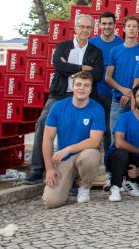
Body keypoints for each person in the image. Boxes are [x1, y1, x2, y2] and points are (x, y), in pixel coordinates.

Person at [24, 14, 104, 185]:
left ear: (92, 30)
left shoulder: (96, 52)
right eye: (81, 26)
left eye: (88, 27)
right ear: (75, 28)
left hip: (84, 97)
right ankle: (38, 170)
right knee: (43, 122)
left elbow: (97, 74)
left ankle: (75, 176)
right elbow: (59, 66)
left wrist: (70, 69)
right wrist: (82, 68)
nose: (84, 30)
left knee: (82, 130)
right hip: (60, 94)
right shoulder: (63, 47)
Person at [41, 71, 105, 208]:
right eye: (78, 84)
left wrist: (68, 149)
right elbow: (47, 139)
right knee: (51, 202)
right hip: (64, 159)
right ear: (73, 86)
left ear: (91, 88)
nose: (82, 88)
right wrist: (50, 168)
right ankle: (68, 186)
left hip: (84, 153)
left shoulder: (97, 109)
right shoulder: (58, 107)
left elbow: (95, 141)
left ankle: (84, 187)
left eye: (86, 85)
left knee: (92, 155)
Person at [105, 15, 139, 140]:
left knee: (134, 138)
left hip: (137, 102)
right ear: (124, 29)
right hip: (118, 101)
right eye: (129, 26)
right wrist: (123, 90)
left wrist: (130, 94)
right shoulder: (115, 51)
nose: (131, 29)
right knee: (115, 137)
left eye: (134, 26)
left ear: (138, 30)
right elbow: (108, 77)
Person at [89, 11, 124, 152]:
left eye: (110, 23)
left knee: (111, 131)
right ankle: (92, 161)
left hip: (113, 94)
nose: (107, 26)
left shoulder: (121, 44)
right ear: (99, 25)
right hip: (95, 92)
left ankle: (110, 166)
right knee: (94, 129)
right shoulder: (92, 43)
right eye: (104, 23)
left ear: (115, 25)